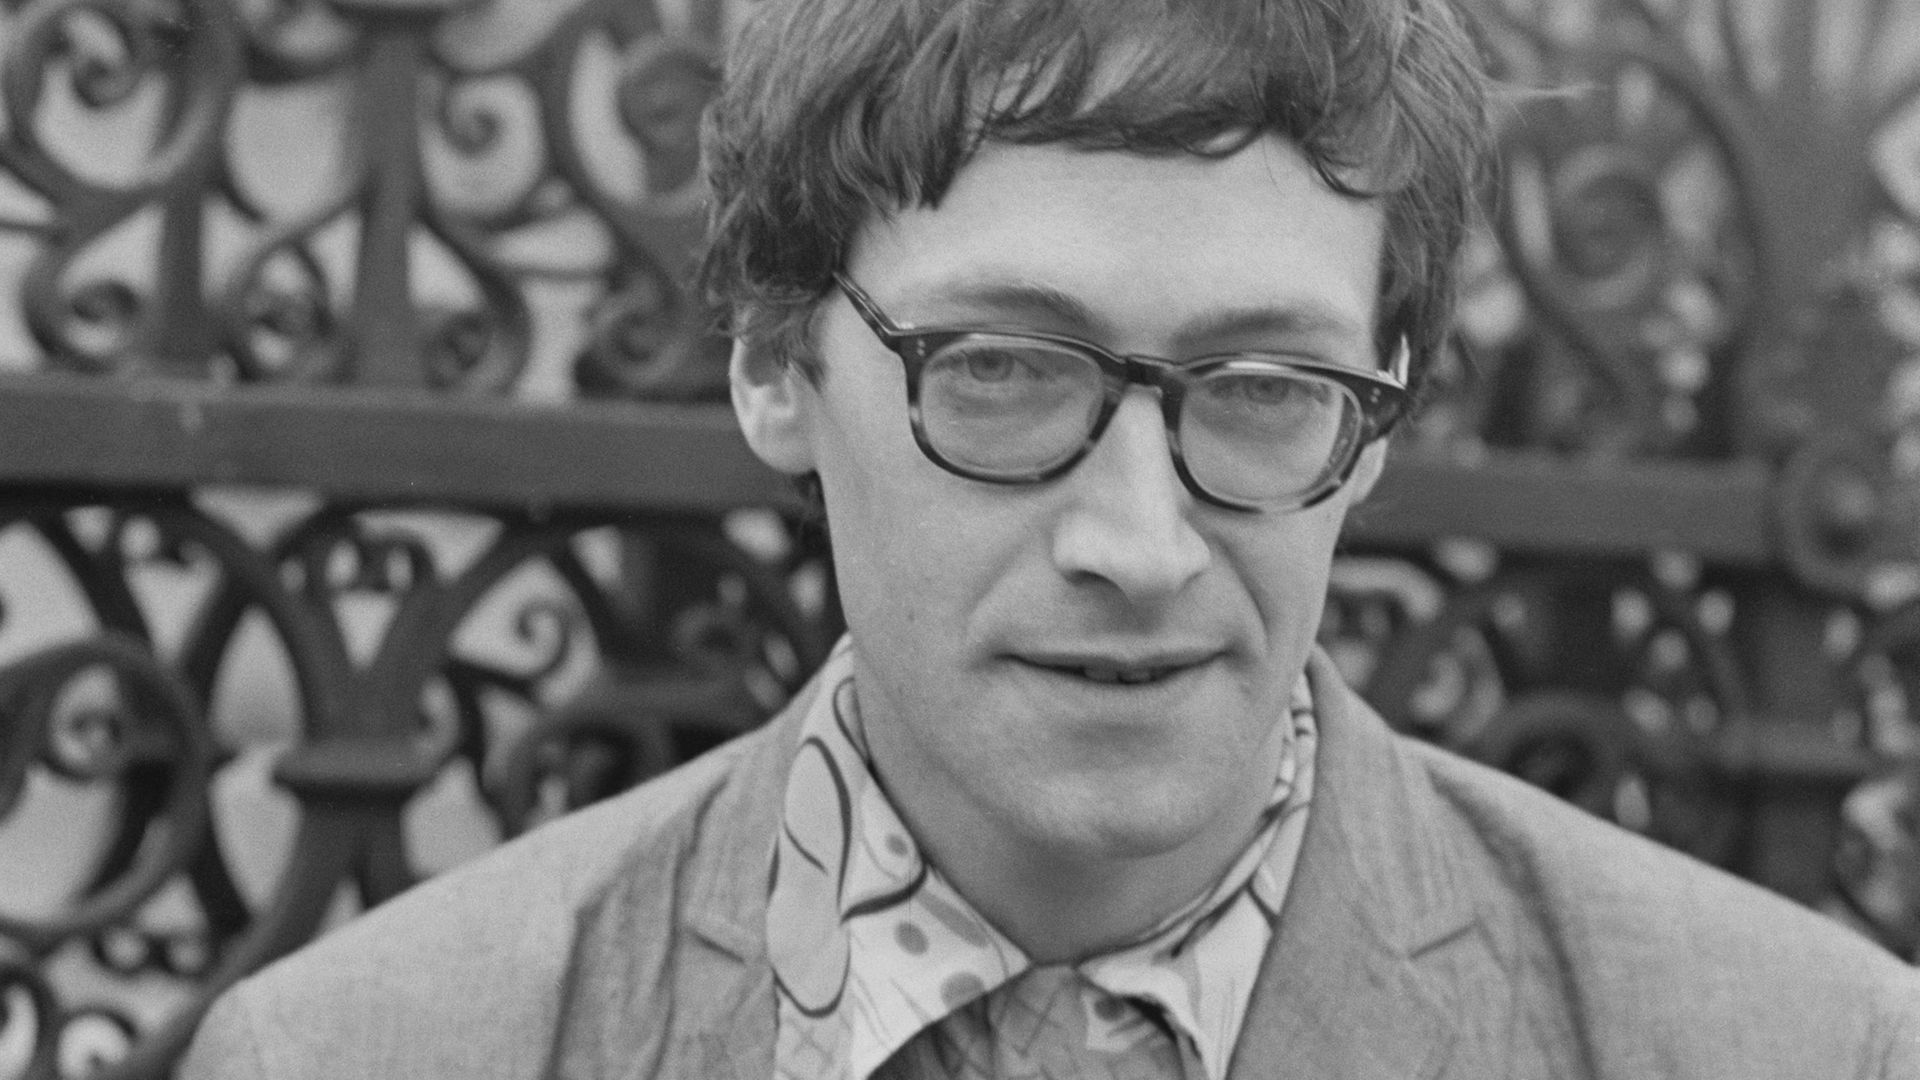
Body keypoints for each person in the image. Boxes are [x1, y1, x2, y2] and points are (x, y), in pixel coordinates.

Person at [181, 0, 1920, 1076]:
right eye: (1003, 370)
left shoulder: (1800, 1048)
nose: (1139, 539)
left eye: (1262, 387)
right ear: (778, 365)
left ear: (1378, 415)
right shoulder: (366, 1051)